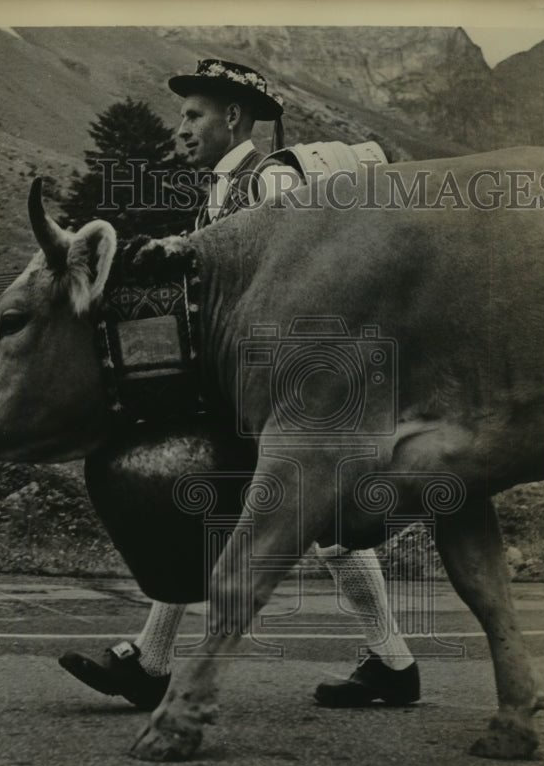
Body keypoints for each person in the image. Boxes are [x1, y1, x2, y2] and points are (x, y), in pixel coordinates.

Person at [59, 59, 420, 711]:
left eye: (193, 115)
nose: (182, 130)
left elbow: (294, 281)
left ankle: (155, 663)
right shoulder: (217, 195)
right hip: (262, 381)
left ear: (231, 118)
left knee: (284, 517)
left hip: (291, 380)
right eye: (180, 118)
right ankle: (390, 662)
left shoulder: (271, 178)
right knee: (247, 513)